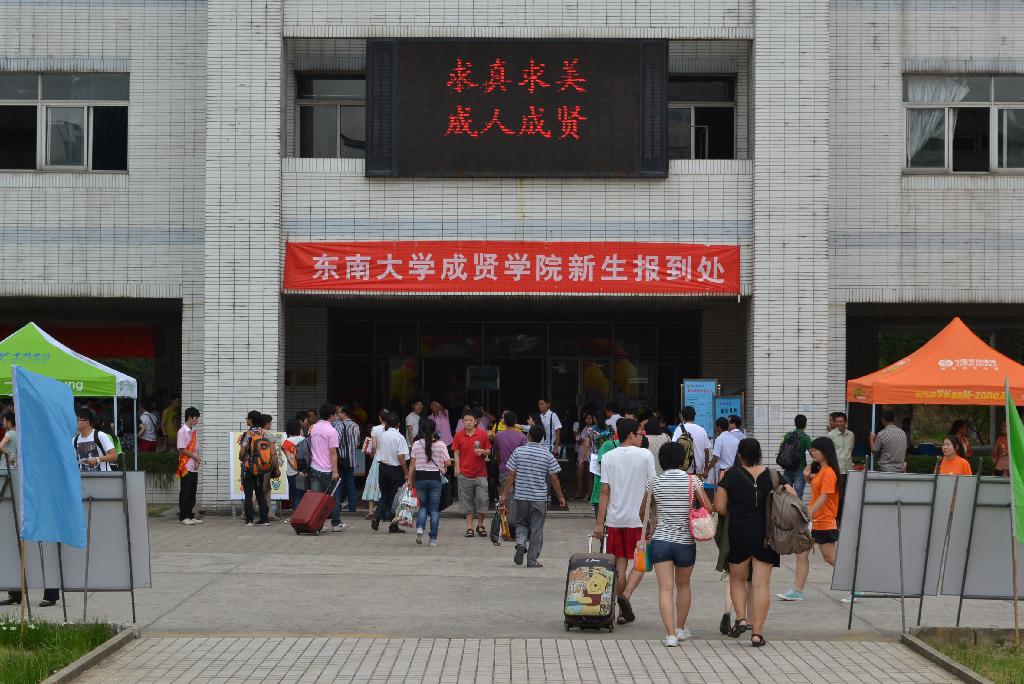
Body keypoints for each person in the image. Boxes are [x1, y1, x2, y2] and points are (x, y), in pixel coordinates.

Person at [714, 438, 793, 647]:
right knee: (761, 585)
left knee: (737, 579)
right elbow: (792, 497)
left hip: (738, 533)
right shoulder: (774, 475)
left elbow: (719, 506)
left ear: (740, 455)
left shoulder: (731, 476)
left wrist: (736, 512)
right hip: (766, 536)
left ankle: (741, 619)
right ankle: (757, 633)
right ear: (759, 454)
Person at [641, 441, 712, 647]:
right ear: (683, 460)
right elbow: (709, 507)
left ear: (661, 461)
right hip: (685, 542)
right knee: (683, 585)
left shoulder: (654, 482)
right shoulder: (693, 481)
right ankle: (680, 629)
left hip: (661, 541)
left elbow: (642, 511)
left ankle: (670, 635)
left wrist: (653, 522)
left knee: (665, 589)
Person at [593, 418, 656, 626]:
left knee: (620, 564)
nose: (642, 437)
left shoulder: (608, 457)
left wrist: (599, 523)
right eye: (639, 434)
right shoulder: (645, 455)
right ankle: (626, 597)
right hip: (638, 520)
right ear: (630, 435)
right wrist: (651, 517)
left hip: (614, 519)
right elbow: (651, 487)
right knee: (642, 563)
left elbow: (604, 492)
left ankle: (621, 612)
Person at [777, 437, 842, 602]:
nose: (812, 452)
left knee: (829, 557)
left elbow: (825, 496)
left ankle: (856, 585)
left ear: (825, 452)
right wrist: (807, 478)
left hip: (824, 521)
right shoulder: (822, 470)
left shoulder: (829, 472)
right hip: (814, 520)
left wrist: (808, 513)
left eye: (816, 450)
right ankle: (797, 591)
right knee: (801, 554)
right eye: (812, 450)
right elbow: (819, 489)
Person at [500, 424, 566, 568]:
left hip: (521, 496)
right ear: (542, 438)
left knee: (521, 523)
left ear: (528, 436)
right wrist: (560, 496)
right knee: (537, 528)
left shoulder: (518, 452)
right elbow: (554, 477)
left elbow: (511, 474)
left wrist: (504, 494)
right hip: (539, 498)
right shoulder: (547, 454)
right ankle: (532, 560)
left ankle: (520, 543)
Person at [408, 417, 451, 546]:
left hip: (420, 478)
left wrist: (409, 480)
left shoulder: (416, 444)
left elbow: (412, 464)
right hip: (435, 479)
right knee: (434, 509)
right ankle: (433, 539)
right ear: (434, 430)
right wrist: (444, 466)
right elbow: (448, 462)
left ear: (421, 430)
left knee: (423, 506)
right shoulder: (441, 445)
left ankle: (420, 529)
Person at [451, 410, 492, 538]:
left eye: (470, 420)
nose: (468, 422)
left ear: (476, 421)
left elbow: (489, 450)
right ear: (462, 422)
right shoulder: (458, 435)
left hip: (480, 473)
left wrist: (483, 452)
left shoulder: (482, 434)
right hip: (464, 473)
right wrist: (457, 468)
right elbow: (456, 453)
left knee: (482, 499)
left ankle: (480, 525)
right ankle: (469, 528)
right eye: (465, 420)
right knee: (466, 501)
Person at [371, 412, 410, 533]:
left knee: (384, 495)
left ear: (387, 424)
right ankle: (393, 525)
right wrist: (406, 472)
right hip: (395, 469)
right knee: (396, 498)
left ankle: (377, 516)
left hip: (383, 468)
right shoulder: (400, 437)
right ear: (398, 424)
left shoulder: (382, 436)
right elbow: (401, 457)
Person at [307, 404, 343, 532]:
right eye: (335, 415)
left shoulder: (313, 428)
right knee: (332, 498)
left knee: (316, 499)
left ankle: (317, 525)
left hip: (313, 467)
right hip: (327, 470)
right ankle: (336, 523)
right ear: (331, 416)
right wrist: (335, 471)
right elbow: (333, 453)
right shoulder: (332, 431)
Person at [493, 410, 527, 534]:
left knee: (505, 497)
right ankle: (519, 525)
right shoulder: (522, 436)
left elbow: (497, 453)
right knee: (520, 497)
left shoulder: (498, 436)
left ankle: (506, 527)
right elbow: (524, 455)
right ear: (516, 421)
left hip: (504, 469)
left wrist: (500, 463)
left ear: (504, 422)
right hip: (519, 471)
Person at [176, 407, 202, 525]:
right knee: (185, 491)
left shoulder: (194, 432)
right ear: (190, 418)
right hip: (185, 466)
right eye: (196, 418)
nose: (197, 421)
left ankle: (190, 515)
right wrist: (195, 458)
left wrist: (197, 460)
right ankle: (183, 516)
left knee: (192, 492)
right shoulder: (182, 431)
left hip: (193, 466)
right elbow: (182, 449)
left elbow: (196, 449)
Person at [333, 404, 360, 517]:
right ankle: (352, 507)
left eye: (339, 412)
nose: (337, 414)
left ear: (344, 414)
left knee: (339, 483)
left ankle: (338, 506)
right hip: (352, 459)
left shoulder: (339, 426)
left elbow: (335, 442)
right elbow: (358, 442)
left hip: (341, 459)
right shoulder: (355, 426)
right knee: (350, 482)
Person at [672, 406, 713, 480]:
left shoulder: (679, 429)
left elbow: (674, 447)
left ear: (682, 416)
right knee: (697, 487)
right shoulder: (701, 430)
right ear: (695, 415)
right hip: (698, 471)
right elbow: (706, 451)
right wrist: (706, 468)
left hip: (684, 469)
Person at [828, 411, 854, 523]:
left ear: (845, 422)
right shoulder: (830, 435)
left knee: (847, 495)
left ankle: (844, 518)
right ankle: (836, 518)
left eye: (841, 421)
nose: (839, 423)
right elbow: (830, 453)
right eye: (837, 421)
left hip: (848, 470)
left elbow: (850, 450)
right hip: (837, 470)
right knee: (837, 495)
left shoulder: (851, 435)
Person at [779, 415, 811, 498]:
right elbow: (812, 453)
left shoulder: (787, 435)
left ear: (795, 423)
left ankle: (786, 506)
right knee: (797, 494)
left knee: (786, 491)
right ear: (805, 424)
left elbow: (781, 448)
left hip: (788, 466)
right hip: (800, 468)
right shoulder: (806, 438)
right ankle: (796, 506)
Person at [363, 409, 387, 520]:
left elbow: (374, 447)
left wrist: (371, 453)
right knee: (384, 484)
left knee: (373, 481)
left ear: (380, 418)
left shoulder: (375, 429)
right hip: (388, 459)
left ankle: (370, 511)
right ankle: (382, 510)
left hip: (377, 458)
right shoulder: (393, 429)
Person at [282, 419, 306, 516]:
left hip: (292, 473)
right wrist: (302, 469)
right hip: (304, 472)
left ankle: (296, 516)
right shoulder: (304, 440)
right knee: (302, 494)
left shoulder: (287, 442)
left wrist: (297, 469)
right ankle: (303, 516)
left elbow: (289, 459)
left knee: (295, 495)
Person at [574, 411, 599, 500]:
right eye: (587, 418)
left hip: (591, 454)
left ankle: (589, 495)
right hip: (581, 453)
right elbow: (577, 440)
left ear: (593, 419)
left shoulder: (595, 429)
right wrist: (584, 440)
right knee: (579, 475)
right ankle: (578, 494)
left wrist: (585, 440)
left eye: (590, 418)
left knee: (589, 476)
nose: (588, 420)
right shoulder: (582, 429)